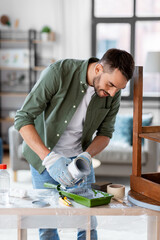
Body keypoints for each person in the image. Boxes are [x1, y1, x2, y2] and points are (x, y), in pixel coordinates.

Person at [14, 48, 135, 240]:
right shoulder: (59, 72)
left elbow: (105, 134)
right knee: (47, 225)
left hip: (79, 162)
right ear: (98, 69)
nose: (112, 93)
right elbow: (22, 118)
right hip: (44, 158)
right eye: (110, 85)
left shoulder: (112, 93)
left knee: (87, 225)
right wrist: (49, 158)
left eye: (118, 89)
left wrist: (86, 156)